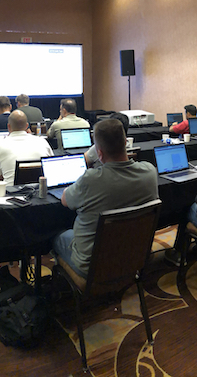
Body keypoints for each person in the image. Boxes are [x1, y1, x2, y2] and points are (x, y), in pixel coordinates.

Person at [52, 119, 158, 278]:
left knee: (57, 236)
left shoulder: (90, 180)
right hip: (135, 255)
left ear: (99, 153)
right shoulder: (149, 171)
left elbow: (65, 200)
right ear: (125, 143)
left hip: (93, 265)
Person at [0, 110, 53, 185]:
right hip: (41, 188)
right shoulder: (42, 142)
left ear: (8, 126)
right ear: (27, 126)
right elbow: (51, 166)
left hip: (11, 190)